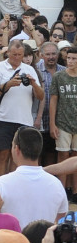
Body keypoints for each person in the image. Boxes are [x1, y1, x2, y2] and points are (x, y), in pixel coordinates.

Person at [0, 40, 44, 179]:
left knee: (18, 158)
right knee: (1, 155)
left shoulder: (29, 69)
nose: (17, 57)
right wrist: (8, 84)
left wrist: (34, 84)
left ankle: (13, 188)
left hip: (24, 120)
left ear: (24, 54)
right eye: (14, 54)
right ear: (8, 53)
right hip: (3, 118)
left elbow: (41, 96)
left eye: (20, 54)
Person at [0, 127, 67, 229]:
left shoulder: (1, 183)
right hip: (45, 242)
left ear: (16, 149)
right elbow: (60, 219)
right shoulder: (56, 184)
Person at [49, 47, 77, 201]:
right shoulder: (59, 77)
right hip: (62, 122)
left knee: (76, 157)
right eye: (69, 58)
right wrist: (52, 124)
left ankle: (75, 191)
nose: (71, 61)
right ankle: (61, 191)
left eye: (74, 58)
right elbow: (53, 100)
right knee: (63, 156)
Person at [37, 42, 64, 167]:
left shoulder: (64, 71)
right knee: (36, 155)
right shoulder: (36, 70)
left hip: (59, 121)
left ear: (58, 55)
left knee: (52, 155)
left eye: (54, 54)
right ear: (41, 55)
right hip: (39, 120)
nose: (51, 57)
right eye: (48, 54)